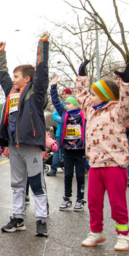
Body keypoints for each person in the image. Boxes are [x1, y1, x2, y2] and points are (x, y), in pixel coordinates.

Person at [77, 60, 129, 251]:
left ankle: (123, 235)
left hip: (114, 164)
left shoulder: (118, 112)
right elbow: (81, 95)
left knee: (117, 202)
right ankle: (96, 232)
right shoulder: (90, 110)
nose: (90, 97)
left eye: (94, 94)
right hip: (95, 164)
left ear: (105, 95)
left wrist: (126, 84)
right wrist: (81, 78)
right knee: (94, 202)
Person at [0, 33, 50, 237]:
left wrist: (43, 45)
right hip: (14, 144)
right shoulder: (11, 92)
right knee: (17, 183)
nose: (13, 78)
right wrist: (0, 53)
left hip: (31, 144)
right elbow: (2, 76)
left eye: (16, 76)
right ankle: (18, 218)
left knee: (36, 183)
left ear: (27, 79)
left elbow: (42, 72)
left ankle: (41, 219)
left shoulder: (35, 92)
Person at [50, 75, 86, 212]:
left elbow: (84, 97)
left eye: (69, 103)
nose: (66, 105)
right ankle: (67, 198)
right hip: (68, 150)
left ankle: (80, 199)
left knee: (80, 176)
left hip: (80, 150)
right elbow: (55, 102)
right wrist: (53, 87)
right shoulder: (64, 113)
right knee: (68, 175)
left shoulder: (83, 114)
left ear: (77, 105)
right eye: (66, 104)